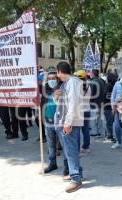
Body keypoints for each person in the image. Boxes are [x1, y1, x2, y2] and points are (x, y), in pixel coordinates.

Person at [54, 62, 84, 193]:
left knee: (71, 150)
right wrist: (56, 96)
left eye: (57, 72)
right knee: (71, 150)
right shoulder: (66, 84)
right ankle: (76, 174)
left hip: (69, 122)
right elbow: (62, 103)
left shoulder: (72, 82)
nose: (57, 75)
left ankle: (76, 179)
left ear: (60, 71)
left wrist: (67, 123)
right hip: (66, 120)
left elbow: (72, 104)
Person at [42, 68, 65, 173]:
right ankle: (52, 163)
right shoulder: (45, 89)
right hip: (48, 121)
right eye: (49, 78)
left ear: (57, 79)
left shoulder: (63, 89)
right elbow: (42, 103)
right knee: (51, 145)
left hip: (60, 121)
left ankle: (68, 166)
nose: (51, 80)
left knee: (65, 145)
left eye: (53, 78)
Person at [75, 70, 92, 155]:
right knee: (86, 130)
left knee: (77, 131)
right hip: (87, 110)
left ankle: (77, 148)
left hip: (79, 111)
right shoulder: (89, 85)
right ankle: (86, 147)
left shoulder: (77, 87)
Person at [89, 69, 105, 137]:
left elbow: (91, 94)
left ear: (92, 74)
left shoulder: (92, 82)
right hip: (101, 102)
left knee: (93, 119)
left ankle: (94, 132)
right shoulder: (102, 81)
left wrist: (89, 101)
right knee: (99, 119)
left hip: (94, 103)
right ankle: (99, 131)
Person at [104, 73, 117, 142]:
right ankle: (109, 136)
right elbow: (106, 95)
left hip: (108, 106)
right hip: (108, 107)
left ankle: (109, 136)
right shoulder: (108, 86)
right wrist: (114, 97)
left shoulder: (109, 85)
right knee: (109, 122)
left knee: (109, 122)